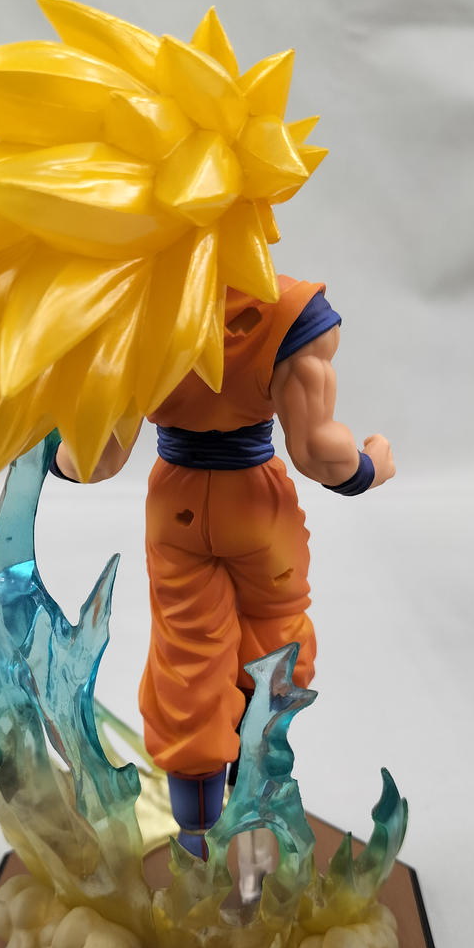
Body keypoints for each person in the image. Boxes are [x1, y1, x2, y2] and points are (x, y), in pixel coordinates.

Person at [54, 277, 395, 857]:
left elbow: (97, 458)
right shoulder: (287, 312)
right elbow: (318, 452)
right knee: (275, 644)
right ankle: (253, 809)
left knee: (188, 660)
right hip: (256, 508)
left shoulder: (136, 307)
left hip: (178, 507)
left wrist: (47, 451)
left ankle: (196, 839)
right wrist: (370, 467)